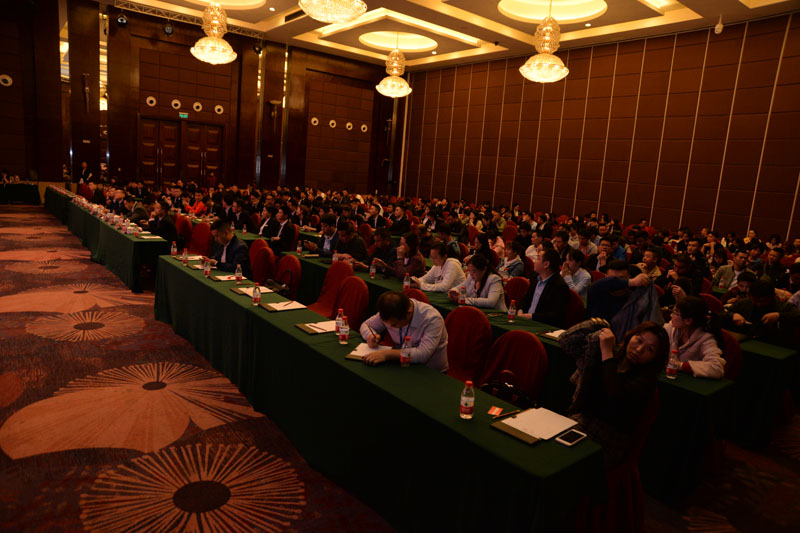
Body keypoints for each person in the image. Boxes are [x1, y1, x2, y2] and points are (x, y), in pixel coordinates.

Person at [563, 321, 669, 465]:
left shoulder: (646, 382)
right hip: (581, 421)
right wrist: (594, 324)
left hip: (608, 440)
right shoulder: (615, 356)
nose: (639, 349)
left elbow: (615, 395)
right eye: (639, 341)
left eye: (649, 349)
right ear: (631, 336)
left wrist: (607, 353)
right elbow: (565, 342)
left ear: (655, 358)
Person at [359, 291, 448, 372]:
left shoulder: (432, 319)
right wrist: (370, 335)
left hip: (430, 371)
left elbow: (423, 354)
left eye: (394, 325)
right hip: (401, 362)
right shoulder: (391, 309)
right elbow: (366, 325)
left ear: (408, 313)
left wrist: (387, 354)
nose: (390, 326)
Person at [721, 280, 800, 347]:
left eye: (763, 301)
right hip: (745, 343)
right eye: (755, 300)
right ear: (749, 296)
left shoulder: (783, 307)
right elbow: (721, 313)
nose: (759, 304)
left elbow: (797, 315)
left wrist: (779, 315)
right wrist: (733, 315)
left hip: (774, 345)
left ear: (773, 296)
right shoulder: (745, 303)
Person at [664, 296, 725, 379]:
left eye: (675, 313)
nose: (671, 315)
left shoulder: (706, 339)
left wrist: (680, 365)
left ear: (688, 320)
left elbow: (716, 368)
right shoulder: (671, 328)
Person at [518, 248, 570, 327]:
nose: (535, 261)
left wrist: (530, 316)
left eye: (538, 258)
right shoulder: (535, 278)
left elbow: (555, 315)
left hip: (542, 326)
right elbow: (526, 299)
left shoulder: (559, 286)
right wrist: (520, 310)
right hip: (525, 321)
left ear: (546, 264)